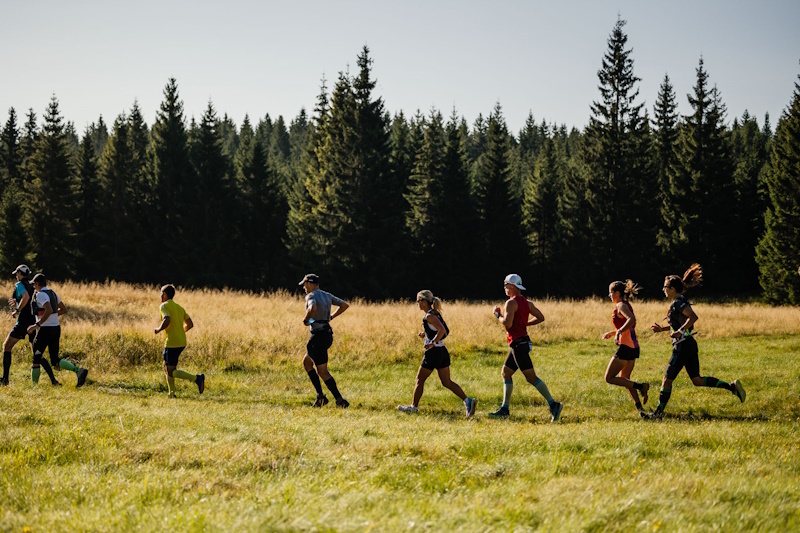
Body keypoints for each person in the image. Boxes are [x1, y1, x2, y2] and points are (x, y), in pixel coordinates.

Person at [643, 264, 746, 419]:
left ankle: (658, 414)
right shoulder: (678, 302)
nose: (663, 289)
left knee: (666, 380)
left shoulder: (678, 302)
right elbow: (679, 324)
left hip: (683, 346)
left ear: (672, 289)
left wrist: (680, 331)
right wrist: (663, 329)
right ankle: (731, 387)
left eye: (665, 287)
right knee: (696, 380)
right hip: (689, 344)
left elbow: (693, 317)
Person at [488, 274, 563, 422]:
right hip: (521, 343)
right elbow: (541, 317)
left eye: (506, 285)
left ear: (512, 286)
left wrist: (498, 315)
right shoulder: (527, 303)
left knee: (531, 377)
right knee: (506, 372)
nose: (505, 287)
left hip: (518, 345)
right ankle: (504, 409)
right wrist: (526, 324)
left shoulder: (510, 303)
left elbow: (507, 324)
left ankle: (554, 404)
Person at [398, 290, 477, 417]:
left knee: (419, 379)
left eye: (418, 301)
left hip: (433, 353)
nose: (417, 304)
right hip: (442, 352)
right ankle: (468, 401)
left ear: (424, 302)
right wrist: (426, 334)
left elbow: (442, 330)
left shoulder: (429, 316)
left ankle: (414, 407)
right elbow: (438, 329)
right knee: (446, 382)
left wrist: (432, 342)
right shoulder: (435, 313)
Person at [26, 273, 88, 387]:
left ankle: (33, 388)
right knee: (55, 361)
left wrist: (36, 324)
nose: (33, 286)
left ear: (38, 284)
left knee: (36, 358)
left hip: (44, 330)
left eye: (34, 284)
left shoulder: (40, 294)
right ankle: (79, 371)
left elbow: (48, 309)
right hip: (56, 328)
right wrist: (51, 316)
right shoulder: (53, 293)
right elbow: (63, 309)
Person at [299, 273, 350, 408]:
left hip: (317, 337)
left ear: (309, 283)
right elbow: (344, 305)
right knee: (307, 363)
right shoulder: (327, 295)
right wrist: (331, 317)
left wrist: (306, 319)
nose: (304, 288)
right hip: (327, 334)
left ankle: (338, 400)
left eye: (304, 285)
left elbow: (312, 308)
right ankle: (322, 396)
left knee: (322, 371)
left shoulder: (310, 296)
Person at [601, 279, 650, 412]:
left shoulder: (621, 305)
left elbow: (632, 320)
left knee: (609, 378)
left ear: (617, 293)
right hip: (633, 347)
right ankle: (640, 409)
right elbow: (630, 325)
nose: (609, 296)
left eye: (610, 293)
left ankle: (641, 386)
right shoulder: (627, 304)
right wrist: (613, 333)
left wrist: (619, 333)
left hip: (626, 347)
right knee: (625, 380)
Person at [154, 284, 204, 398]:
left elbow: (167, 320)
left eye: (161, 293)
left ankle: (197, 378)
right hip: (181, 342)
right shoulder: (179, 307)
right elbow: (190, 324)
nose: (160, 296)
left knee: (170, 371)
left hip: (172, 343)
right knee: (167, 367)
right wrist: (180, 332)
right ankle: (171, 394)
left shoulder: (164, 306)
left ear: (165, 295)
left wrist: (158, 329)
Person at [2, 265, 36, 385]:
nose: (16, 276)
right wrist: (18, 301)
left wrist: (17, 310)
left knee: (6, 347)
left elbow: (25, 297)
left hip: (22, 323)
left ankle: (5, 379)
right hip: (33, 322)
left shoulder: (19, 285)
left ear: (19, 274)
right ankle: (53, 379)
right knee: (36, 353)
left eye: (17, 274)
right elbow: (29, 299)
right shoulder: (32, 286)